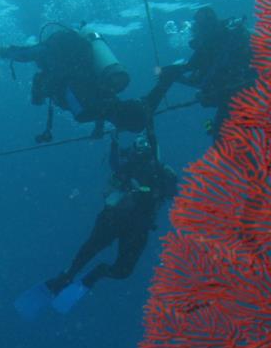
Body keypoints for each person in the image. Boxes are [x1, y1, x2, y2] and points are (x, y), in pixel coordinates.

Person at [15, 127, 177, 319]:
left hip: (137, 226)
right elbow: (115, 164)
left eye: (147, 145)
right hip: (116, 218)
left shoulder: (163, 172)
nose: (143, 149)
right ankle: (67, 276)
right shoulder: (128, 165)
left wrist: (156, 181)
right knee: (92, 250)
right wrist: (114, 143)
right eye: (140, 145)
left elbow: (171, 191)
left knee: (122, 269)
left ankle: (94, 273)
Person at [0, 25, 177, 141]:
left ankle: (132, 117)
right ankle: (132, 117)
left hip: (104, 104)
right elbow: (99, 104)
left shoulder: (55, 52)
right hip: (111, 106)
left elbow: (28, 53)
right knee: (101, 108)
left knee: (44, 95)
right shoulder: (79, 66)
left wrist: (8, 52)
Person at [171, 6, 257, 137]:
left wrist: (174, 76)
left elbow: (199, 80)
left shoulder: (213, 46)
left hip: (240, 96)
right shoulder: (225, 38)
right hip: (249, 92)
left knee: (223, 138)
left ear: (205, 28)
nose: (195, 33)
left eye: (198, 28)